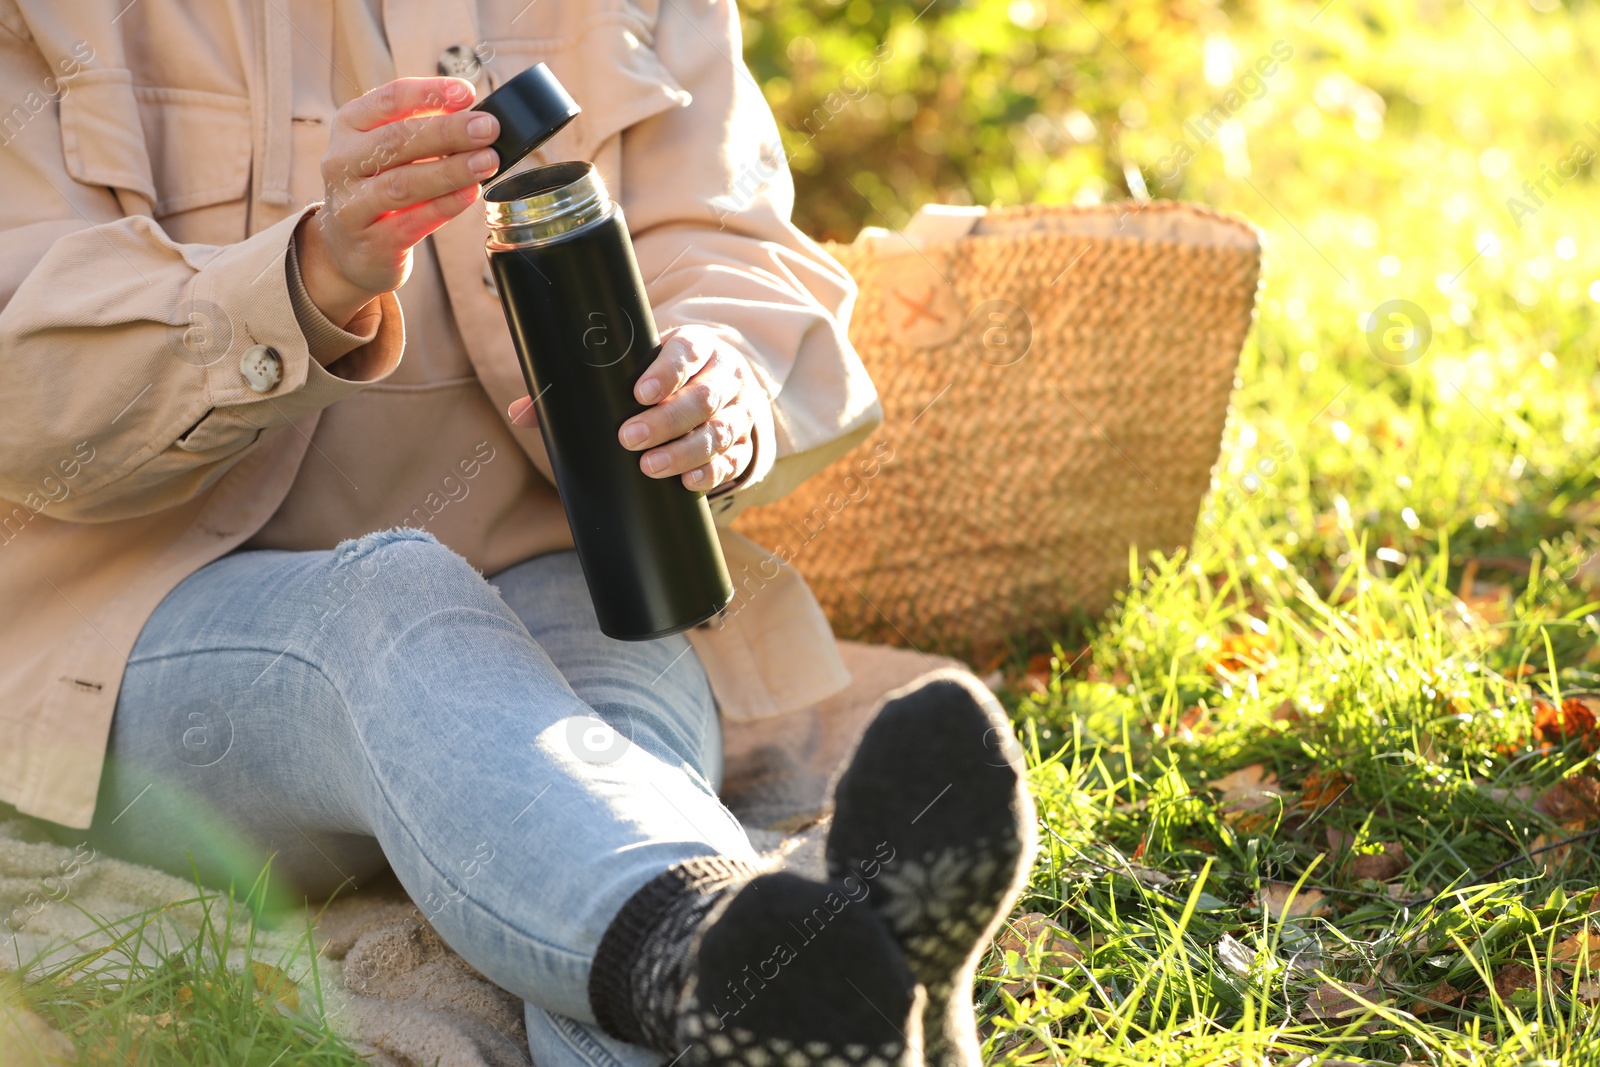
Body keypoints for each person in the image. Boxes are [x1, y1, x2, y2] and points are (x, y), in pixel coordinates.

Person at [0, 2, 1032, 1063]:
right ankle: (774, 953)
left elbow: (729, 240)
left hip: (572, 593)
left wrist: (726, 378)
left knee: (613, 826)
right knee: (397, 607)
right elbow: (21, 388)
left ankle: (760, 973)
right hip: (143, 648)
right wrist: (310, 273)